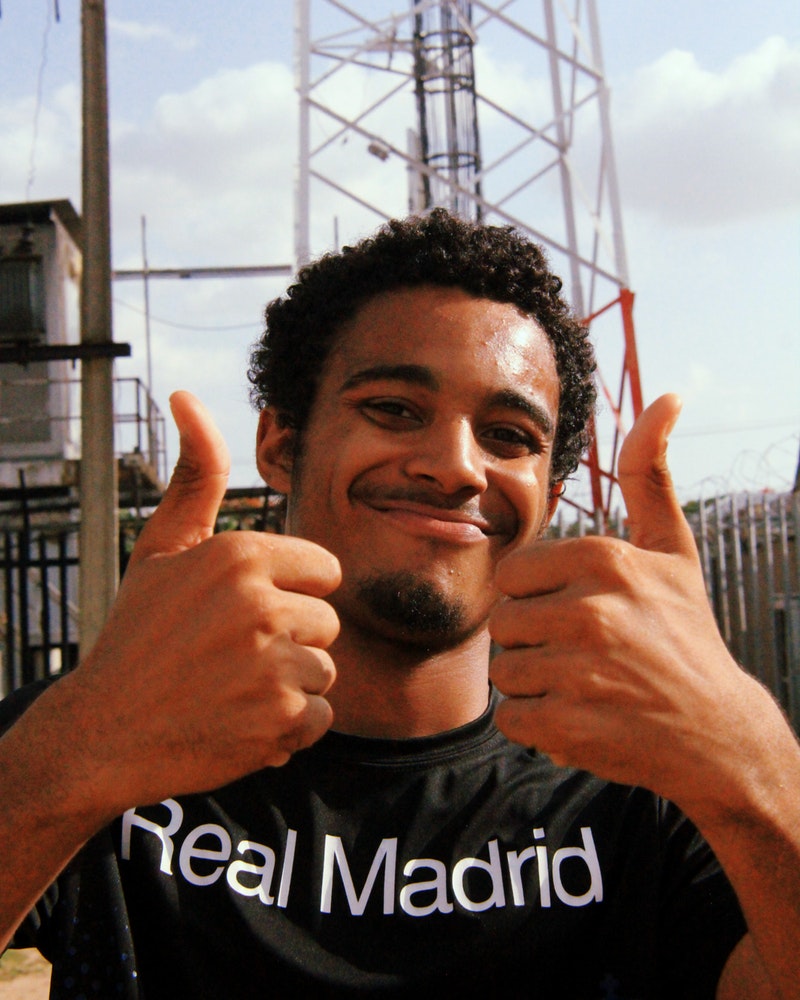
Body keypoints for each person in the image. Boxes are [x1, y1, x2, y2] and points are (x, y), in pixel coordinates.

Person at [0, 209, 798, 999]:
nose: (455, 467)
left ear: (550, 498)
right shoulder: (110, 737)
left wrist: (753, 763)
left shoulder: (644, 788)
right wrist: (77, 748)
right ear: (281, 443)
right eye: (393, 409)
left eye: (510, 434)